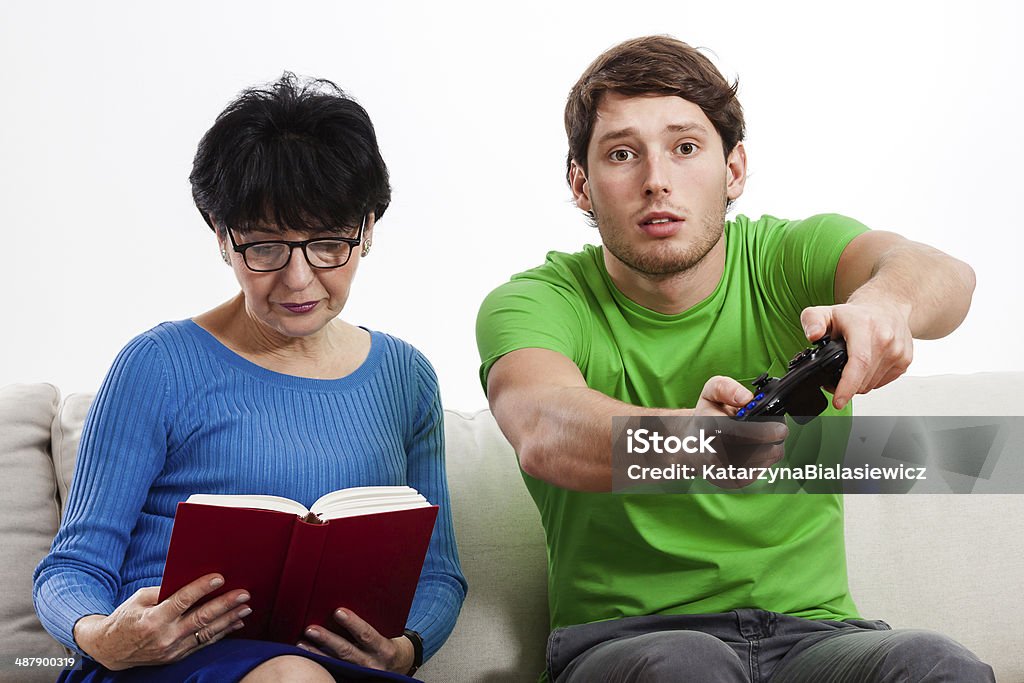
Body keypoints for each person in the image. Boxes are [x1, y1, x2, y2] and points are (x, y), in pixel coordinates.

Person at [476, 36, 993, 682]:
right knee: (686, 667)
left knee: (936, 663)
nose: (656, 179)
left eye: (685, 147)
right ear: (581, 184)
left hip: (817, 636)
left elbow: (946, 276)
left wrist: (885, 304)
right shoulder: (535, 301)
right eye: (622, 153)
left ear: (735, 169)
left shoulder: (785, 259)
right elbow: (546, 429)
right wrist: (696, 446)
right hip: (632, 642)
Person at [33, 73, 466, 682]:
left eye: (327, 244)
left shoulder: (406, 377)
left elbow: (438, 572)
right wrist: (103, 634)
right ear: (222, 237)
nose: (297, 279)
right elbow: (72, 568)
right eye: (264, 247)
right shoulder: (157, 364)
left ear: (367, 230)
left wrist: (408, 648)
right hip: (167, 666)